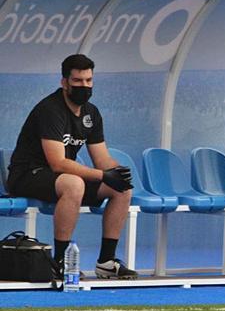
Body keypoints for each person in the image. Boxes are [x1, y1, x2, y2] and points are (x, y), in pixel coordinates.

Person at [6, 54, 137, 279]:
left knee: (122, 188)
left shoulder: (91, 113)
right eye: (77, 81)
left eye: (88, 81)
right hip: (27, 175)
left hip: (58, 178)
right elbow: (57, 163)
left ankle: (106, 262)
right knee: (74, 184)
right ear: (64, 82)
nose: (84, 86)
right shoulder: (50, 109)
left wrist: (116, 172)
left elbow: (102, 159)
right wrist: (102, 175)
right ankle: (60, 262)